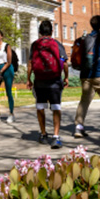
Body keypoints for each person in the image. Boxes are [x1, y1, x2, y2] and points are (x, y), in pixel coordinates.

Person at [27, 20, 69, 149]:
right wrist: (66, 77)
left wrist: (29, 79)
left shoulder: (35, 45)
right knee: (56, 108)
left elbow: (30, 64)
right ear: (51, 31)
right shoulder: (57, 44)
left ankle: (43, 134)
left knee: (40, 107)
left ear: (39, 32)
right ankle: (55, 137)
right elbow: (65, 63)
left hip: (39, 81)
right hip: (54, 81)